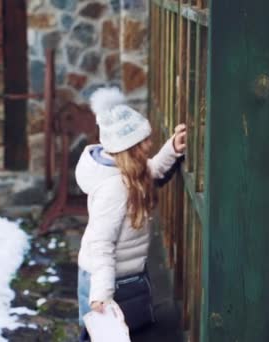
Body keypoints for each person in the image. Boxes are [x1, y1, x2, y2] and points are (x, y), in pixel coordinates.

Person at [75, 87, 186, 341]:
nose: (149, 143)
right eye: (143, 141)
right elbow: (101, 243)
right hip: (110, 282)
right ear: (128, 148)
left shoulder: (128, 172)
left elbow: (153, 171)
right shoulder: (114, 188)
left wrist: (172, 148)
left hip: (125, 276)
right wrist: (102, 294)